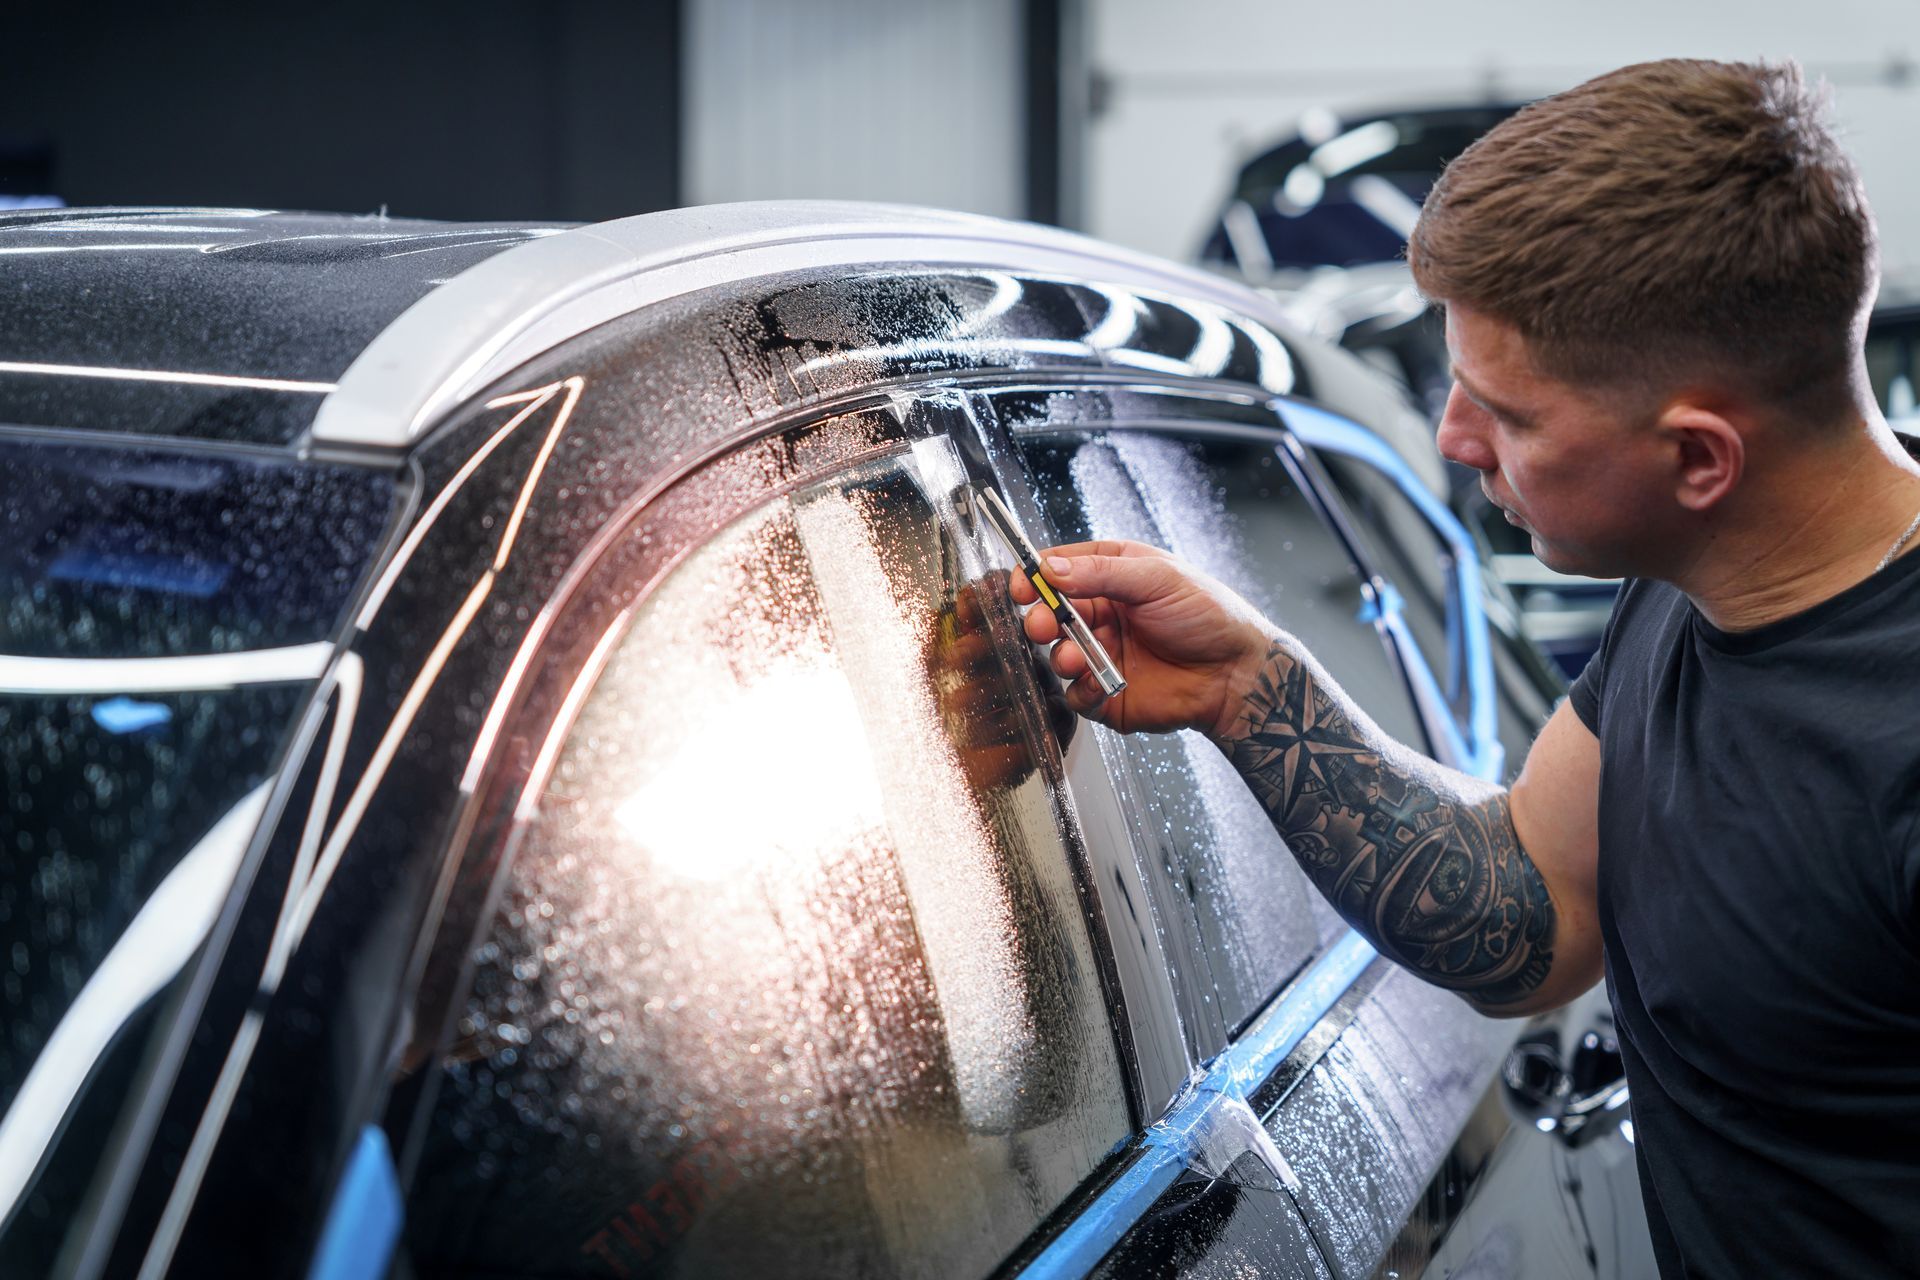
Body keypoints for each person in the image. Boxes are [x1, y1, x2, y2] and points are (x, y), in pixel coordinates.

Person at [1011, 58, 1920, 1278]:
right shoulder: (1700, 579)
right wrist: (1247, 685)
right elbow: (1534, 901)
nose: (1451, 438)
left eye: (1511, 415)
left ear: (1700, 455)